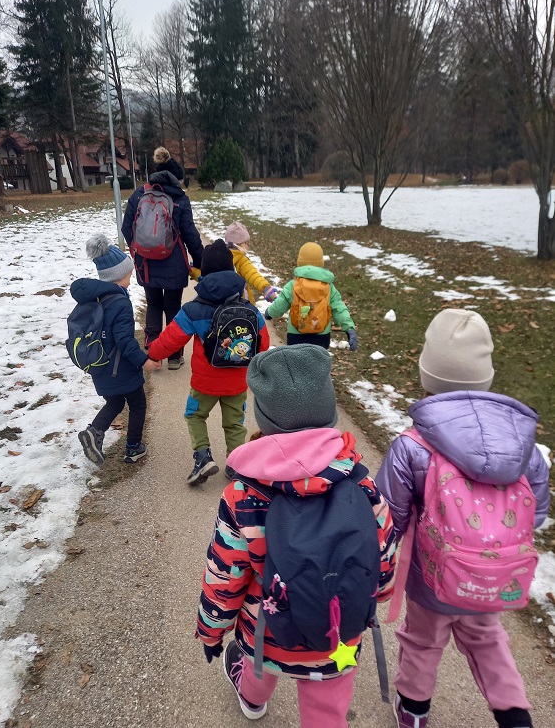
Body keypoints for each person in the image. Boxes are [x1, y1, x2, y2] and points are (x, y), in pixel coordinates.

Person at [196, 344, 396, 727]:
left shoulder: (243, 495)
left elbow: (225, 575)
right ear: (329, 411)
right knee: (327, 707)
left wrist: (211, 629)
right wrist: (376, 595)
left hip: (269, 630)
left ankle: (252, 701)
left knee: (258, 669)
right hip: (338, 630)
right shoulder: (362, 484)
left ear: (264, 418)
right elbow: (382, 555)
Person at [374, 309, 550, 728]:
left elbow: (388, 517)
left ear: (425, 375)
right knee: (488, 640)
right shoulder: (523, 446)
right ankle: (515, 716)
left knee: (423, 642)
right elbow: (537, 514)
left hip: (432, 578)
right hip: (495, 576)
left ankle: (413, 711)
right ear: (486, 377)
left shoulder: (412, 446)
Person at [147, 239, 270, 485]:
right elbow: (263, 344)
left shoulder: (193, 309)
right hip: (237, 383)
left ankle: (203, 457)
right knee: (234, 425)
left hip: (205, 383)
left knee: (195, 415)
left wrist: (153, 355)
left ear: (204, 271)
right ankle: (236, 467)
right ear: (232, 270)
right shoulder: (249, 308)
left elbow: (171, 339)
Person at [73, 234, 161, 465]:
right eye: (128, 275)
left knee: (115, 402)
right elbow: (124, 340)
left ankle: (94, 432)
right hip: (120, 367)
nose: (130, 280)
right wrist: (144, 361)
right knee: (138, 404)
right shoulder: (120, 302)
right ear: (117, 275)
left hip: (99, 363)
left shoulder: (96, 297)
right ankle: (133, 448)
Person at [122, 146, 204, 370]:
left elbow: (126, 227)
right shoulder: (180, 198)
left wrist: (138, 249)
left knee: (154, 304)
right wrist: (200, 260)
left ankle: (153, 353)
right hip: (174, 263)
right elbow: (190, 234)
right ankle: (174, 356)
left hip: (146, 263)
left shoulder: (140, 194)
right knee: (173, 307)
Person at [265, 241, 357, 350]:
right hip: (321, 336)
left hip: (296, 335)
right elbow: (339, 308)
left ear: (300, 262)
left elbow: (280, 305)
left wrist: (269, 313)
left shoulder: (293, 285)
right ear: (321, 263)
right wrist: (349, 328)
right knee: (319, 360)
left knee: (296, 359)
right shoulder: (329, 287)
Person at [224, 220, 279, 303]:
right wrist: (266, 288)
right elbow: (253, 275)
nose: (247, 245)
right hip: (242, 303)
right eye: (245, 243)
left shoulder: (219, 257)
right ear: (239, 244)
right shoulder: (241, 259)